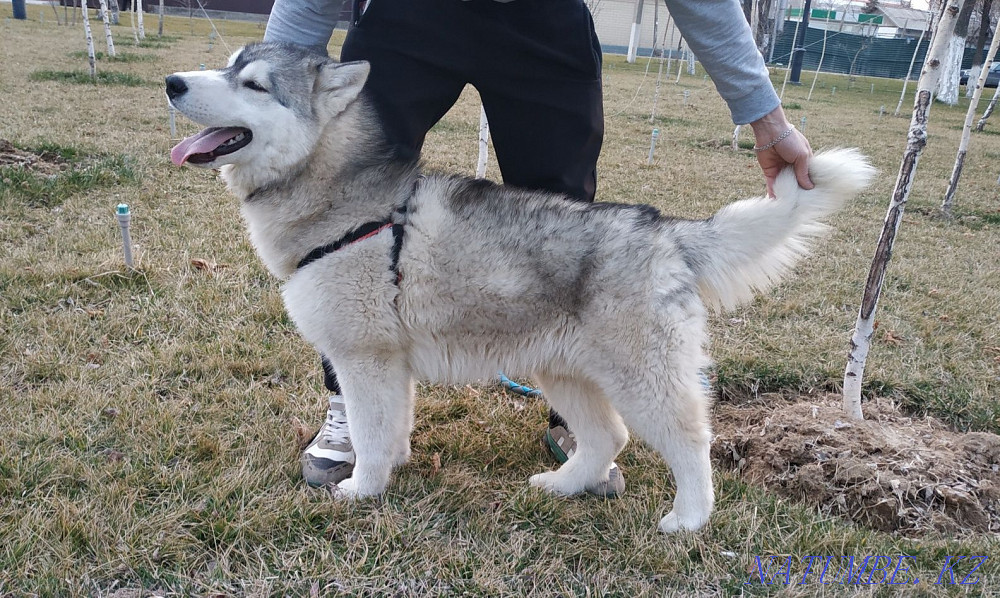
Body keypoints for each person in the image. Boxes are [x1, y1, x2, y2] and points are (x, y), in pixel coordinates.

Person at [263, 0, 813, 496]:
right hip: (409, 15)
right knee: (352, 193)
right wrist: (265, 84)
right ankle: (353, 406)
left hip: (543, 21)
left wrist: (765, 116)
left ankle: (580, 419)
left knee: (560, 221)